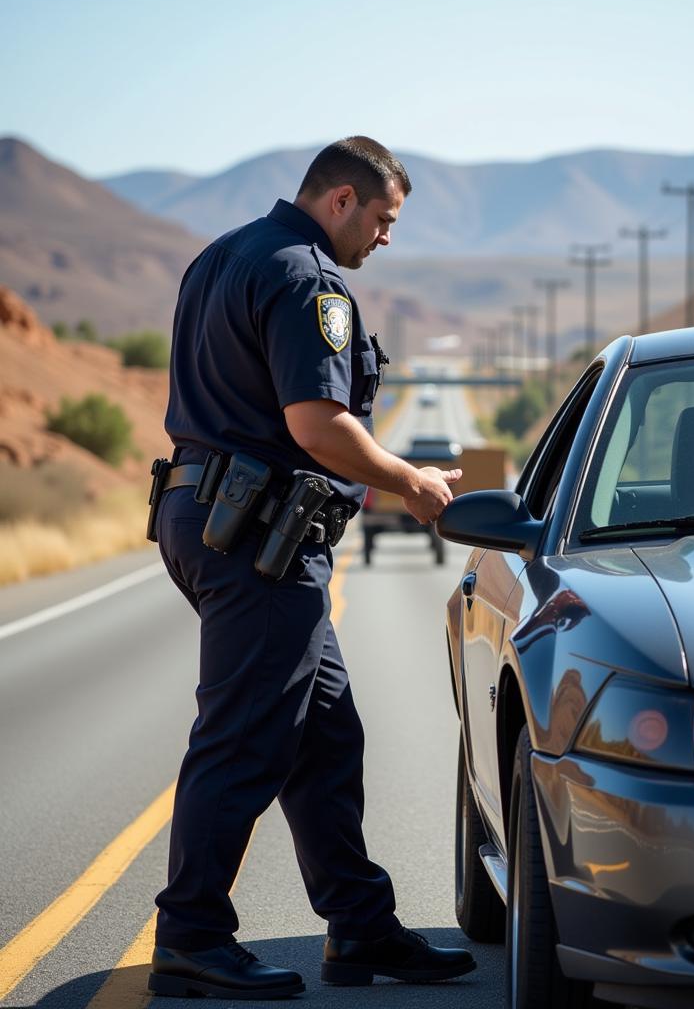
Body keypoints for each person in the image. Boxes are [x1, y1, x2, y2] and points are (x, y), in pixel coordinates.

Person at [147, 136, 475, 999]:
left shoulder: (221, 258)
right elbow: (318, 425)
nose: (385, 239)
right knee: (243, 739)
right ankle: (189, 936)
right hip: (259, 538)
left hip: (210, 516)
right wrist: (410, 479)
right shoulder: (308, 279)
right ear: (341, 201)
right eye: (383, 219)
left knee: (326, 739)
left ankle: (361, 930)